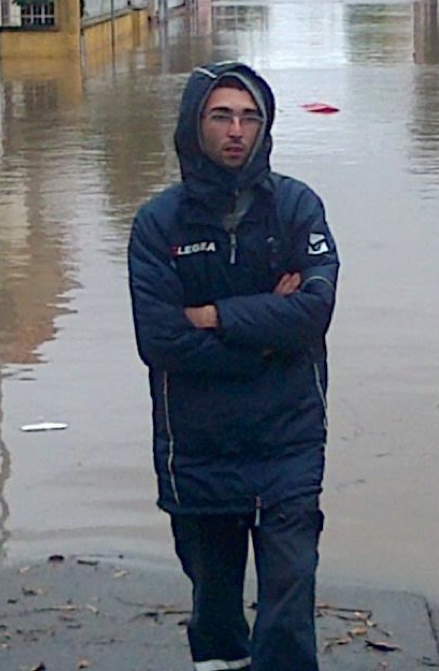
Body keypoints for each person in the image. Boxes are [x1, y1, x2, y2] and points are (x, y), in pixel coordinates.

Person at [128, 61, 338, 671]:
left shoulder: (297, 207)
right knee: (214, 608)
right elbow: (163, 341)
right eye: (221, 116)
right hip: (198, 446)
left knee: (290, 598)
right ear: (195, 126)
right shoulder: (158, 224)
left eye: (249, 117)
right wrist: (268, 333)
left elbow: (314, 311)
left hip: (290, 438)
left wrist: (216, 316)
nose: (236, 131)